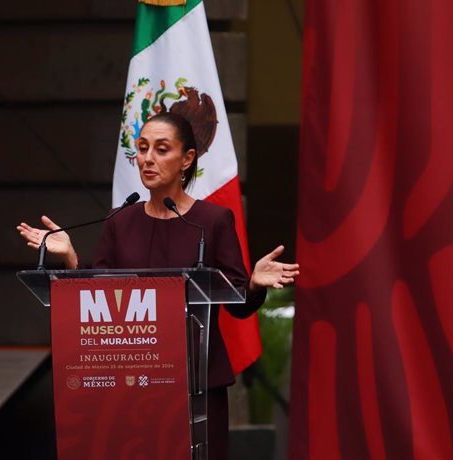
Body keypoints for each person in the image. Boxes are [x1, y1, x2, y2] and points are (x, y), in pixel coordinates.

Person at [16, 111, 299, 459]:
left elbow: (238, 306)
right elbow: (97, 294)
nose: (147, 159)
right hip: (131, 382)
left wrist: (254, 283)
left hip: (198, 383)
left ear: (187, 159)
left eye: (161, 149)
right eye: (142, 148)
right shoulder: (121, 220)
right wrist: (71, 256)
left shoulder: (211, 221)